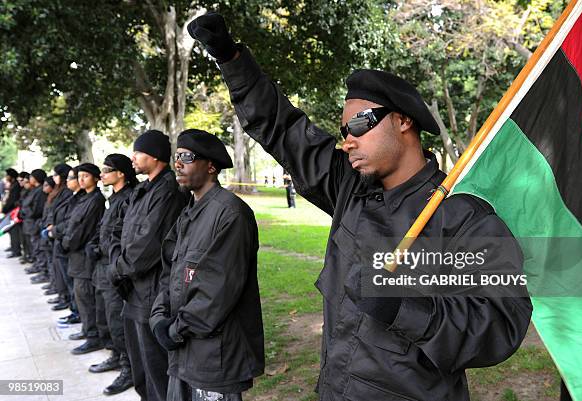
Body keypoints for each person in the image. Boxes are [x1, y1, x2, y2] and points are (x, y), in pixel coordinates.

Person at [187, 13, 533, 401]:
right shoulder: (349, 188)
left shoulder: (463, 218)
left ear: (403, 120)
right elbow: (284, 130)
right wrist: (233, 61)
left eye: (358, 125)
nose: (347, 141)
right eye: (343, 131)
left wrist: (404, 306)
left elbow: (502, 322)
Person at [150, 129, 264, 401]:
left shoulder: (231, 214)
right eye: (175, 157)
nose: (177, 164)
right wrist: (158, 318)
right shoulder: (188, 213)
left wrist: (175, 330)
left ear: (211, 166)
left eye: (186, 157)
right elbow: (169, 271)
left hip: (215, 355)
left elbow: (216, 290)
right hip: (183, 350)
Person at [110, 130, 187, 401]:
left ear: (154, 157)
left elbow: (147, 246)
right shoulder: (143, 189)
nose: (133, 158)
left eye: (138, 152)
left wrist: (117, 268)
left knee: (156, 368)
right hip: (132, 291)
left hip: (151, 294)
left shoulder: (167, 191)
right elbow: (119, 229)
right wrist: (118, 261)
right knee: (140, 365)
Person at [88, 154, 137, 396]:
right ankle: (117, 356)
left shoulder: (128, 198)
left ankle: (128, 369)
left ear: (121, 173)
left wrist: (106, 250)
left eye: (107, 170)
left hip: (116, 269)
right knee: (108, 316)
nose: (102, 174)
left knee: (119, 321)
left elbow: (124, 238)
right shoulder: (114, 198)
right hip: (104, 266)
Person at [61, 163, 107, 355]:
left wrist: (65, 243)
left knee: (86, 298)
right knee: (81, 297)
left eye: (85, 176)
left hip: (83, 257)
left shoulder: (95, 200)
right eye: (79, 176)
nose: (81, 180)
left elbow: (82, 230)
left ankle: (93, 337)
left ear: (95, 178)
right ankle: (87, 331)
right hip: (76, 256)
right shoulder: (83, 198)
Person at [49, 165, 82, 318]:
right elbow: (55, 212)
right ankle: (71, 305)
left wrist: (57, 232)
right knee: (63, 276)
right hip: (61, 240)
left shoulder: (75, 196)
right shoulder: (67, 194)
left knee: (72, 283)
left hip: (67, 243)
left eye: (71, 177)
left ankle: (75, 310)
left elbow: (71, 222)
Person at [20, 170, 48, 279]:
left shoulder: (40, 191)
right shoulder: (34, 190)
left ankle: (43, 270)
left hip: (35, 222)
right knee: (35, 246)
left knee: (39, 247)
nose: (29, 179)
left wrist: (26, 212)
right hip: (30, 222)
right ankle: (39, 266)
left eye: (31, 177)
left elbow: (37, 209)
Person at [3, 168, 23, 258]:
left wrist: (5, 209)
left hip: (14, 212)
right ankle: (13, 247)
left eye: (7, 175)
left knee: (14, 231)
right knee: (11, 231)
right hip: (11, 211)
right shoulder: (13, 185)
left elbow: (12, 200)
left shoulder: (16, 186)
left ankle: (16, 250)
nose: (6, 177)